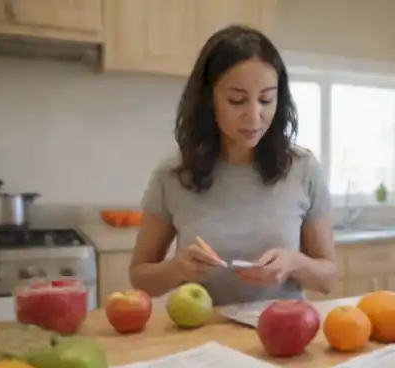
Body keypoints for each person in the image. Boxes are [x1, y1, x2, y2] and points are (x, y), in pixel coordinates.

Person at [128, 25, 337, 306]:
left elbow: (328, 278)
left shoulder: (303, 168)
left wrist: (295, 263)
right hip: (201, 338)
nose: (254, 117)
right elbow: (140, 278)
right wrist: (176, 268)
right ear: (208, 100)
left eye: (266, 100)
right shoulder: (173, 175)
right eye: (236, 100)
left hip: (286, 336)